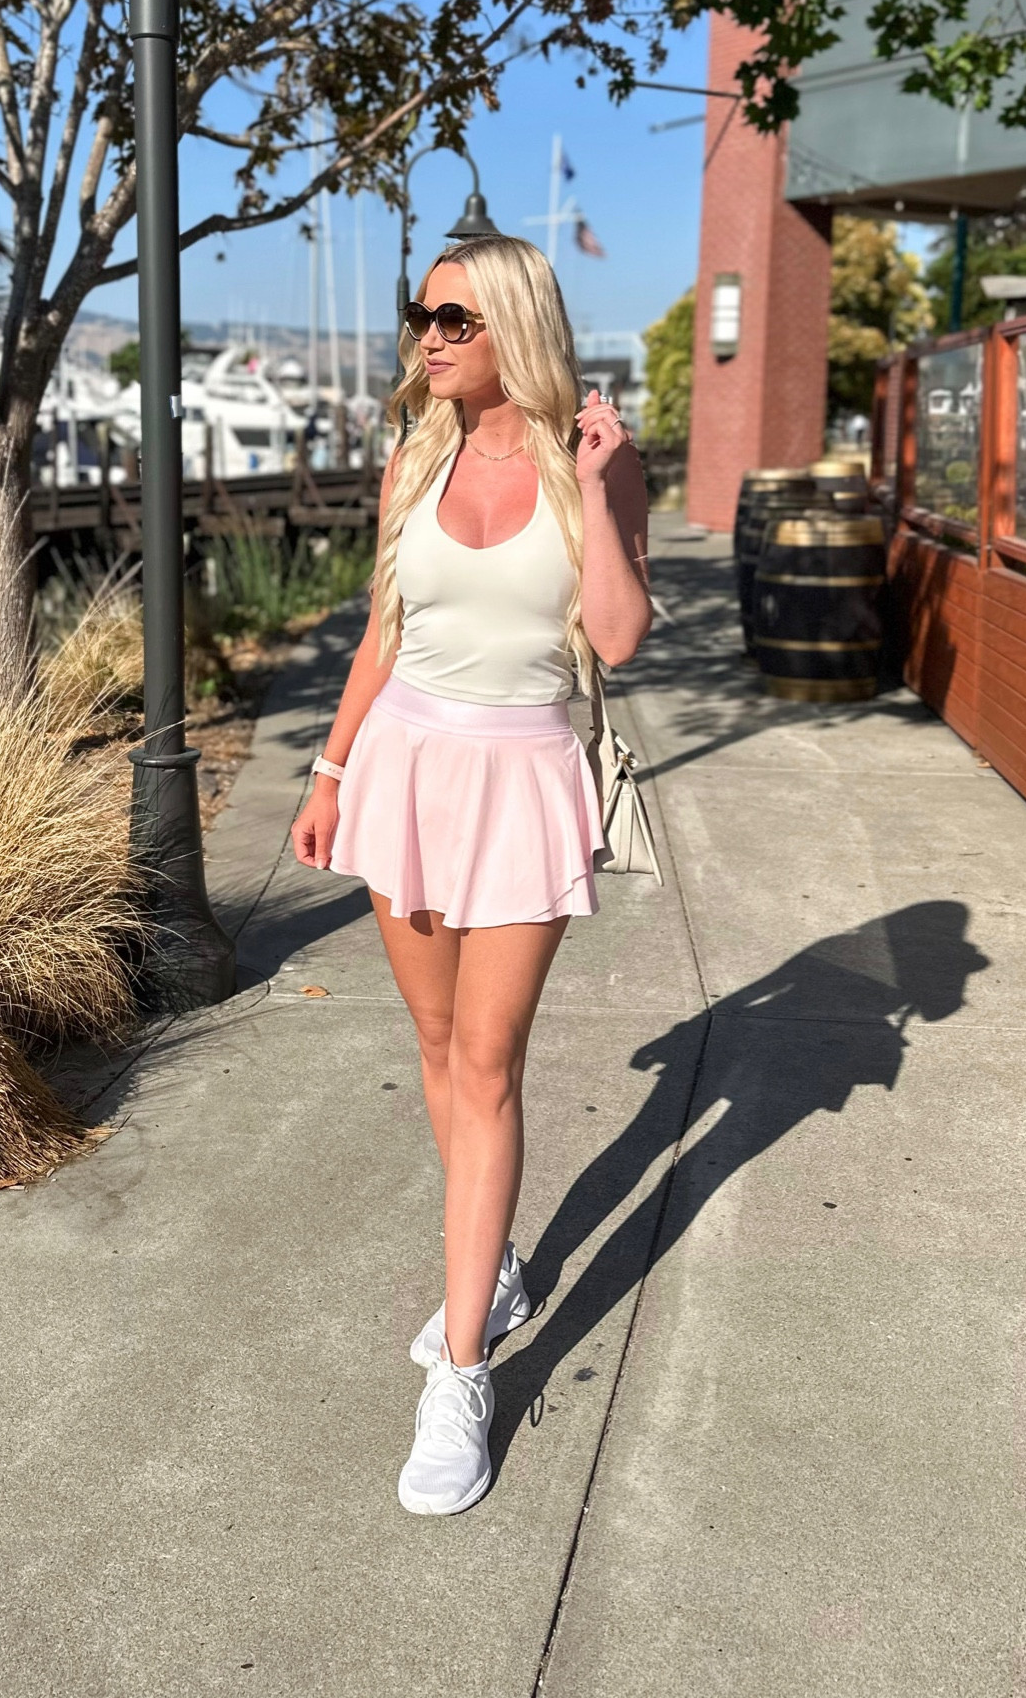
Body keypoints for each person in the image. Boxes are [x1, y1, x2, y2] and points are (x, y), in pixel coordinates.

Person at [289, 233, 651, 1516]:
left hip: (520, 778)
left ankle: (462, 1371)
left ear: (511, 326)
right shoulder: (415, 457)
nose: (428, 336)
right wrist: (329, 771)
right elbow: (387, 631)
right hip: (403, 769)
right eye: (420, 316)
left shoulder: (592, 463)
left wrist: (602, 491)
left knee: (488, 1060)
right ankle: (489, 1264)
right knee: (440, 1048)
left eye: (453, 317)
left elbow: (615, 634)